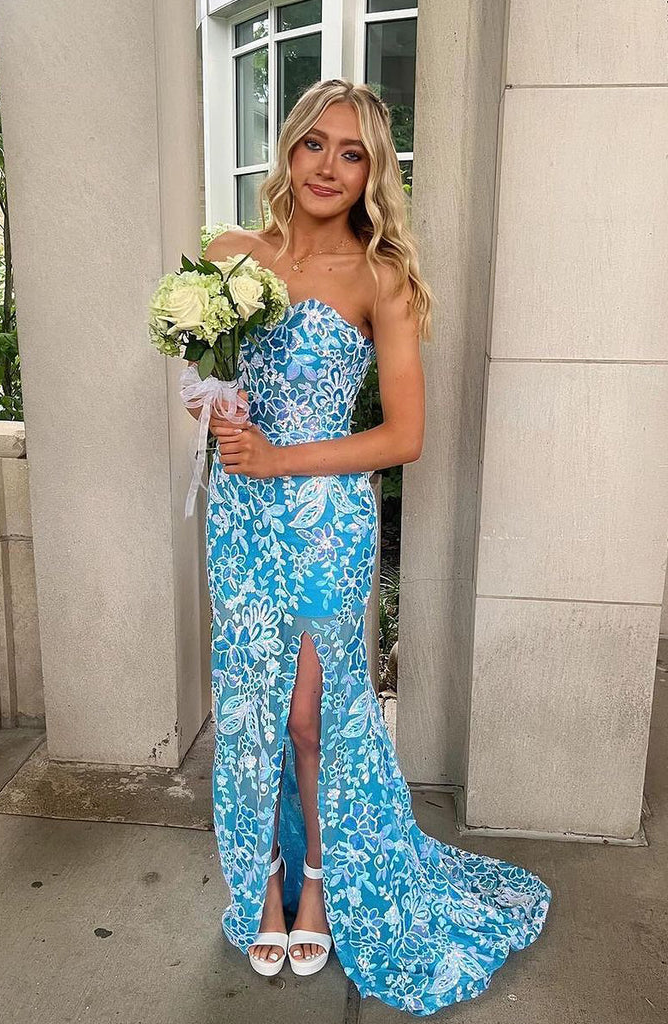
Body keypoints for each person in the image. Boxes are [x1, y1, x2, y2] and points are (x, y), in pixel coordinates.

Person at [192, 78, 551, 1016]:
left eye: (352, 154)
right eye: (316, 143)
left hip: (323, 518)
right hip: (241, 515)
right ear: (289, 148)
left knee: (308, 716)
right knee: (250, 708)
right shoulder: (227, 257)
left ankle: (318, 882)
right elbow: (210, 383)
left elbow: (404, 437)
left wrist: (279, 458)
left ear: (370, 174)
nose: (329, 167)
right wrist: (219, 414)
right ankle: (263, 887)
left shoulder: (379, 275)